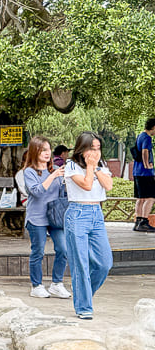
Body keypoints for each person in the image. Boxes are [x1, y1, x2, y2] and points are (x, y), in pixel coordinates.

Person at [64, 131, 114, 320]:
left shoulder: (101, 166)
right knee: (81, 264)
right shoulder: (71, 166)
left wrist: (96, 167)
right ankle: (84, 307)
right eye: (91, 148)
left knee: (104, 263)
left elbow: (108, 186)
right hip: (77, 214)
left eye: (98, 148)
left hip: (96, 214)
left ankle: (82, 293)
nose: (95, 152)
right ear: (82, 149)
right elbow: (86, 185)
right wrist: (90, 167)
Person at [21, 136, 70, 299]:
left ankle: (57, 283)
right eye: (43, 150)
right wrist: (53, 176)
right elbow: (37, 191)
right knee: (38, 252)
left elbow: (62, 191)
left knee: (63, 249)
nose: (47, 153)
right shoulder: (29, 171)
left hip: (55, 216)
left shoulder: (55, 168)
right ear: (35, 151)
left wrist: (63, 179)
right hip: (37, 217)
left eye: (48, 149)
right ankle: (36, 285)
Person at [132, 118, 155, 232]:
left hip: (137, 171)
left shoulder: (140, 136)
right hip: (145, 173)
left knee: (141, 198)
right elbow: (145, 151)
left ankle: (138, 221)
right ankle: (144, 221)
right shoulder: (147, 137)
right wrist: (147, 165)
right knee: (151, 197)